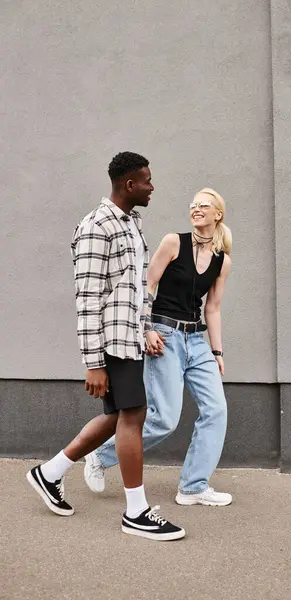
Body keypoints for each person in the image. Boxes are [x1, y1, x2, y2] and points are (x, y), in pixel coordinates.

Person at [26, 152, 185, 541]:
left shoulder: (131, 223)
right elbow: (88, 298)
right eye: (147, 180)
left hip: (129, 339)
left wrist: (145, 328)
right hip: (111, 342)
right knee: (134, 416)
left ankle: (49, 473)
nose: (152, 187)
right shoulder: (97, 227)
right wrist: (93, 363)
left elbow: (135, 290)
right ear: (129, 184)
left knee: (119, 417)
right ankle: (136, 512)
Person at [84, 188, 233, 507]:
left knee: (216, 410)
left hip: (197, 340)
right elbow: (147, 286)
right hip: (164, 335)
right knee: (164, 418)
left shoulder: (223, 260)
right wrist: (146, 329)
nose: (196, 208)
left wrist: (217, 353)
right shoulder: (173, 242)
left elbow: (214, 308)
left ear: (217, 214)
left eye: (203, 205)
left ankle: (193, 486)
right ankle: (100, 456)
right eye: (193, 204)